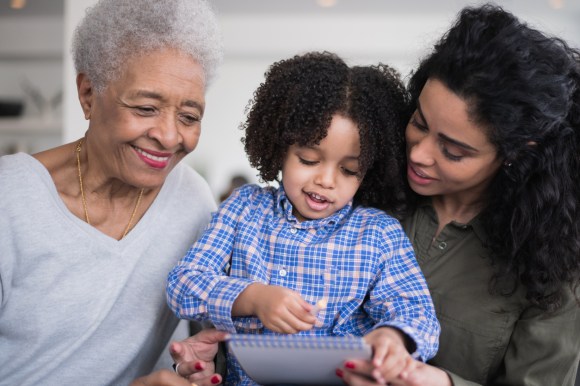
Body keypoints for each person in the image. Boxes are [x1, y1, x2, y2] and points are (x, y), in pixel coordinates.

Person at [339, 4, 580, 386]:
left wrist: (440, 383)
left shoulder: (552, 260)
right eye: (418, 123)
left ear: (518, 152)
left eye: (453, 151)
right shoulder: (359, 188)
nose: (418, 153)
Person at [166, 51, 440, 385]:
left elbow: (417, 312)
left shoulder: (378, 233)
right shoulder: (244, 209)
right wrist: (251, 297)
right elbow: (183, 284)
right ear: (279, 146)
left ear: (369, 170)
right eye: (309, 160)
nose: (326, 180)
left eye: (349, 170)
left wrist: (394, 339)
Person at [0, 0, 227, 385]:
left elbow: (222, 334)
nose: (170, 136)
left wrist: (195, 363)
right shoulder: (10, 199)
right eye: (145, 108)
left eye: (189, 117)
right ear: (88, 94)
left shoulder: (193, 200)